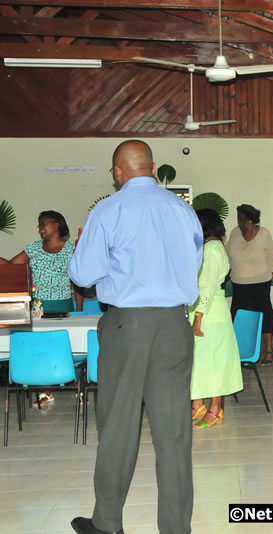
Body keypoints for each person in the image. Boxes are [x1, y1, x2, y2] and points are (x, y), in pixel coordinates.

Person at [68, 140, 203, 534]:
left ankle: (107, 523)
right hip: (174, 325)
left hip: (127, 326)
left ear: (118, 172)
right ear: (154, 167)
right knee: (174, 432)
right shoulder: (183, 211)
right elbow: (192, 264)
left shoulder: (108, 210)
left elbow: (82, 275)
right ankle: (176, 529)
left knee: (118, 427)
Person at [189, 209, 244, 430]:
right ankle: (199, 404)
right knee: (202, 361)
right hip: (207, 311)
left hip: (209, 314)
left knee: (213, 364)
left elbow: (208, 286)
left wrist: (199, 316)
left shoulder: (211, 250)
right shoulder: (212, 247)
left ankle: (215, 409)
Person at [226, 204, 273, 365]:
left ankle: (269, 351)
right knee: (239, 317)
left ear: (250, 220)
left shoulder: (264, 234)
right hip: (239, 283)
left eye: (241, 218)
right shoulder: (235, 233)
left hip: (260, 283)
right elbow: (227, 254)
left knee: (264, 315)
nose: (238, 221)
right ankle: (241, 351)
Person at [1, 210, 76, 314]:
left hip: (62, 306)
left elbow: (78, 282)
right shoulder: (34, 247)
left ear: (57, 224)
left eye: (44, 224)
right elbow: (12, 266)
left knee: (62, 330)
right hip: (37, 307)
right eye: (39, 226)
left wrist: (80, 309)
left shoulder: (72, 249)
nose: (40, 228)